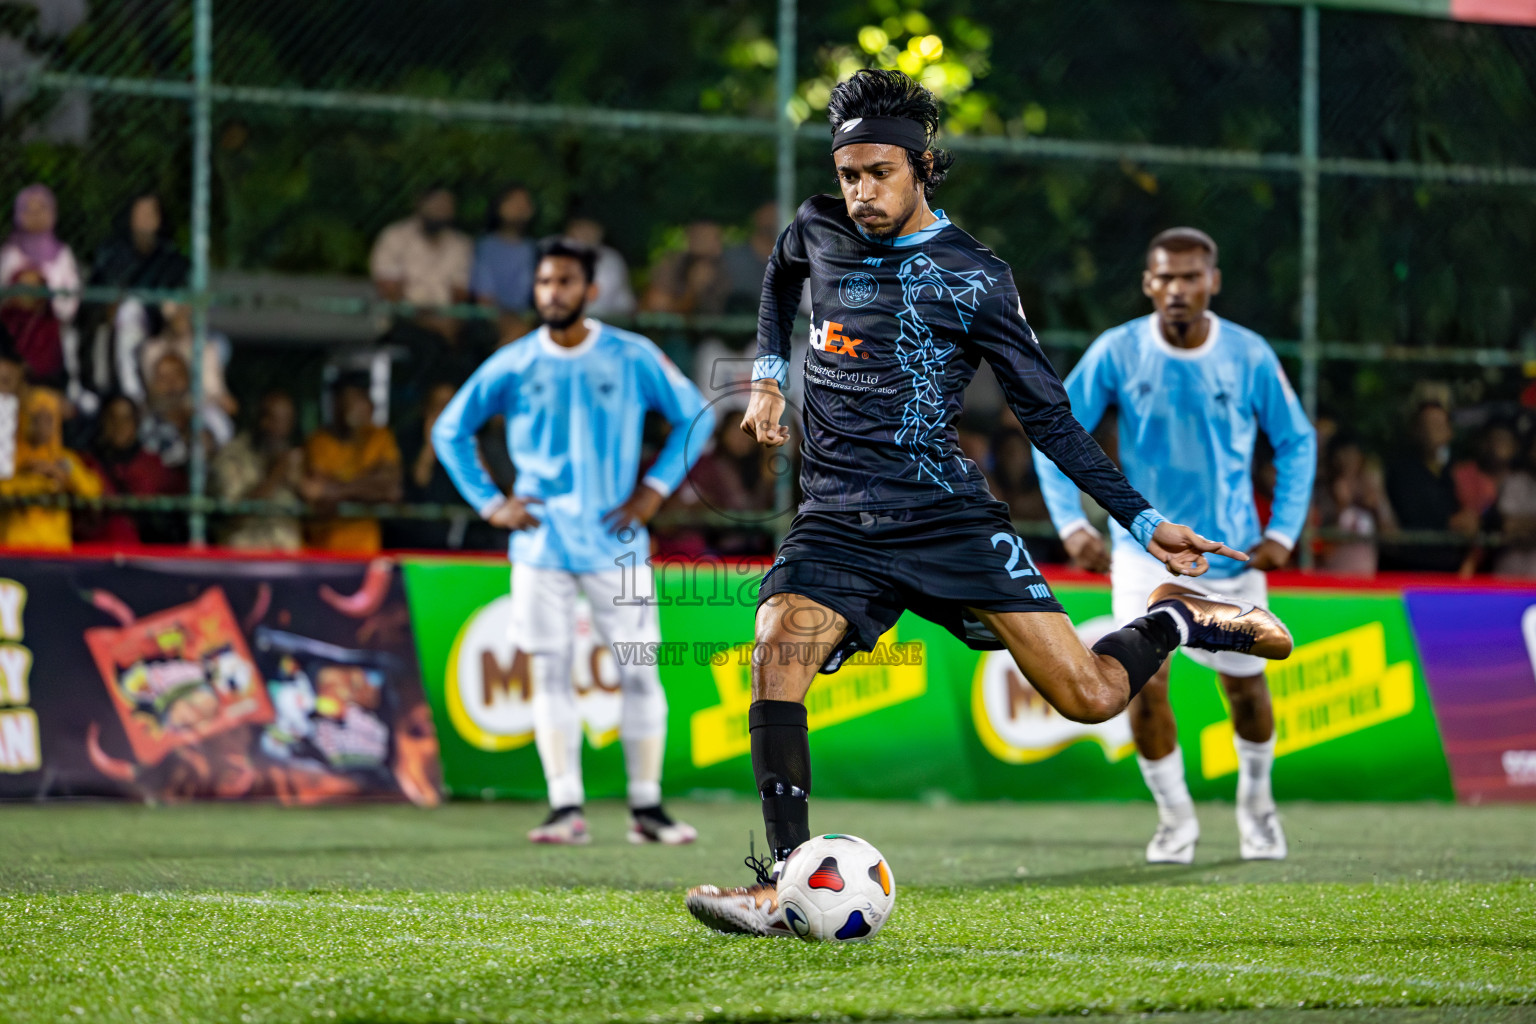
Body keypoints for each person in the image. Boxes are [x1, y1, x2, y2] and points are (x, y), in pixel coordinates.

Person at [683, 70, 1293, 937]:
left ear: (925, 165)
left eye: (879, 173)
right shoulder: (817, 226)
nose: (859, 192)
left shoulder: (974, 277)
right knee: (775, 648)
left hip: (946, 519)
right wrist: (772, 377)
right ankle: (784, 880)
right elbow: (781, 279)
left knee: (1087, 696)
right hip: (837, 517)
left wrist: (1145, 522)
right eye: (848, 172)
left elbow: (1049, 418)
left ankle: (1176, 620)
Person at [1033, 227, 1316, 865]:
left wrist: (1283, 531)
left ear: (1213, 281)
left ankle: (1257, 809)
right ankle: (1175, 821)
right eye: (1166, 277)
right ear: (1148, 283)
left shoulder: (1247, 354)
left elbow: (1296, 441)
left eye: (1192, 277)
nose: (1178, 289)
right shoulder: (1118, 350)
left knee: (1246, 691)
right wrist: (1073, 526)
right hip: (1144, 552)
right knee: (1145, 685)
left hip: (1231, 554)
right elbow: (1053, 430)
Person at [433, 237, 715, 845]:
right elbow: (450, 430)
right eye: (543, 283)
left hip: (618, 543)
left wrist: (654, 491)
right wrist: (492, 504)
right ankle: (566, 808)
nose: (551, 293)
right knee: (549, 673)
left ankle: (647, 808)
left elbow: (699, 414)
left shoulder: (631, 354)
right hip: (540, 547)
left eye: (564, 282)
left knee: (640, 674)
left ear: (590, 291)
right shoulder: (513, 362)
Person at [300, 376, 402, 554]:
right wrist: (370, 484)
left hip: (366, 550)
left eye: (357, 399)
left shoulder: (379, 437)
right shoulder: (319, 441)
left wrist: (336, 490)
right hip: (324, 549)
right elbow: (315, 492)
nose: (351, 407)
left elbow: (391, 488)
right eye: (345, 401)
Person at [0, 388, 101, 551]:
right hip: (15, 549)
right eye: (36, 417)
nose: (42, 425)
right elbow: (3, 489)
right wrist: (45, 483)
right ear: (24, 418)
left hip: (56, 549)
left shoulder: (64, 458)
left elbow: (93, 491)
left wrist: (63, 473)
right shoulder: (8, 456)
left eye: (49, 418)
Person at [0, 184, 79, 389]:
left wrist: (44, 297)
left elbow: (70, 298)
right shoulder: (10, 253)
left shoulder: (62, 254)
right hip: (14, 330)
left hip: (50, 326)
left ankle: (69, 387)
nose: (35, 216)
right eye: (29, 210)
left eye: (41, 209)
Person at [78, 393, 181, 545]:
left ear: (136, 423)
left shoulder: (153, 465)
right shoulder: (87, 464)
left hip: (143, 553)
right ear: (103, 422)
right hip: (99, 552)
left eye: (126, 418)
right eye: (113, 418)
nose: (119, 426)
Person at [1384, 402, 1472, 573]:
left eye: (1440, 424)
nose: (1434, 431)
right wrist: (1448, 522)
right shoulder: (1401, 471)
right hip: (1411, 566)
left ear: (1450, 431)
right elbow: (1409, 514)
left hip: (1453, 568)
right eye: (1428, 425)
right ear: (1415, 431)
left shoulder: (1458, 471)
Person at [211, 390, 304, 551]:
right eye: (276, 420)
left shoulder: (292, 457)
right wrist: (275, 476)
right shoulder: (232, 456)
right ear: (262, 420)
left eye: (287, 421)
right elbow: (234, 515)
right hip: (244, 560)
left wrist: (303, 483)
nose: (282, 429)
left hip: (287, 562)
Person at [471, 185, 539, 331]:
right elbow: (484, 298)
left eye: (525, 203)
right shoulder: (485, 246)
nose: (520, 208)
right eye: (513, 202)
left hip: (526, 320)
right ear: (498, 207)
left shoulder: (534, 249)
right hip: (490, 321)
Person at [564, 218, 636, 320]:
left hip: (603, 325)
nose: (589, 232)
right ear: (572, 227)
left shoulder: (612, 259)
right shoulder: (552, 252)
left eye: (594, 227)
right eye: (583, 226)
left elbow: (626, 306)